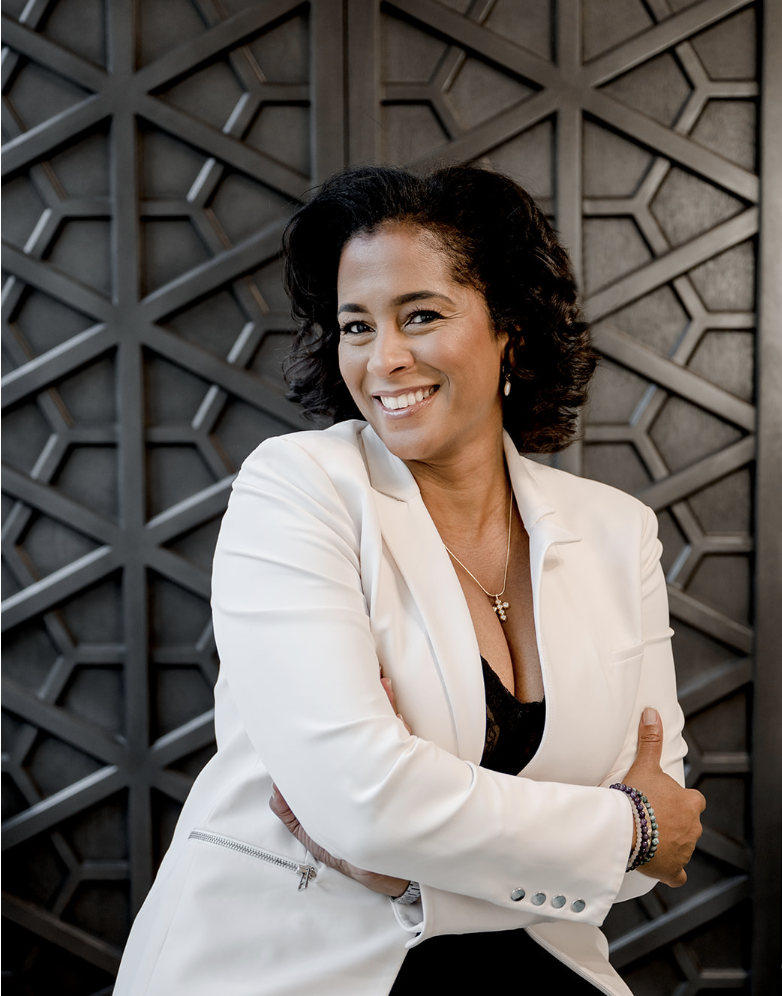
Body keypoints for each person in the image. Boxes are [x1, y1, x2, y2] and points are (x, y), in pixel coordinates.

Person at [113, 164, 705, 996]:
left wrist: (417, 864)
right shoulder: (297, 488)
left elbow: (661, 845)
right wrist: (618, 826)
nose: (384, 359)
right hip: (298, 965)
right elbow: (364, 799)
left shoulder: (616, 531)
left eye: (420, 315)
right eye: (356, 326)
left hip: (532, 962)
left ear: (511, 329)